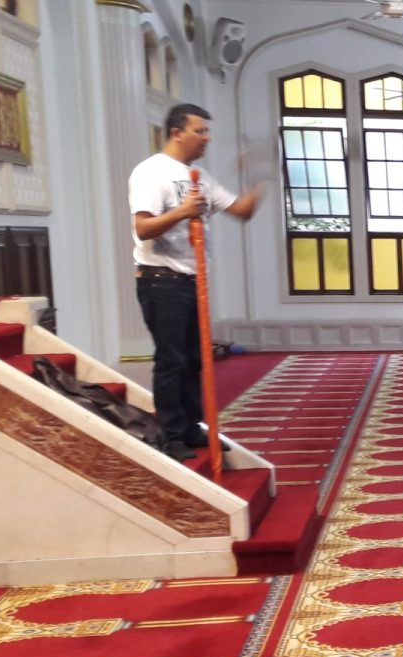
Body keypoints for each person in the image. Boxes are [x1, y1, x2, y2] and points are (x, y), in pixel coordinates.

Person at [130, 103, 262, 461]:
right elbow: (143, 228)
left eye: (207, 131)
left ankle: (191, 427)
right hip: (161, 280)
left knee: (194, 359)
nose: (206, 138)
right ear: (177, 133)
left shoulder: (199, 176)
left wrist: (259, 179)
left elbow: (242, 211)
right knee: (171, 359)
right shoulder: (151, 172)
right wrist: (182, 212)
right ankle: (171, 434)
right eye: (200, 131)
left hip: (191, 281)